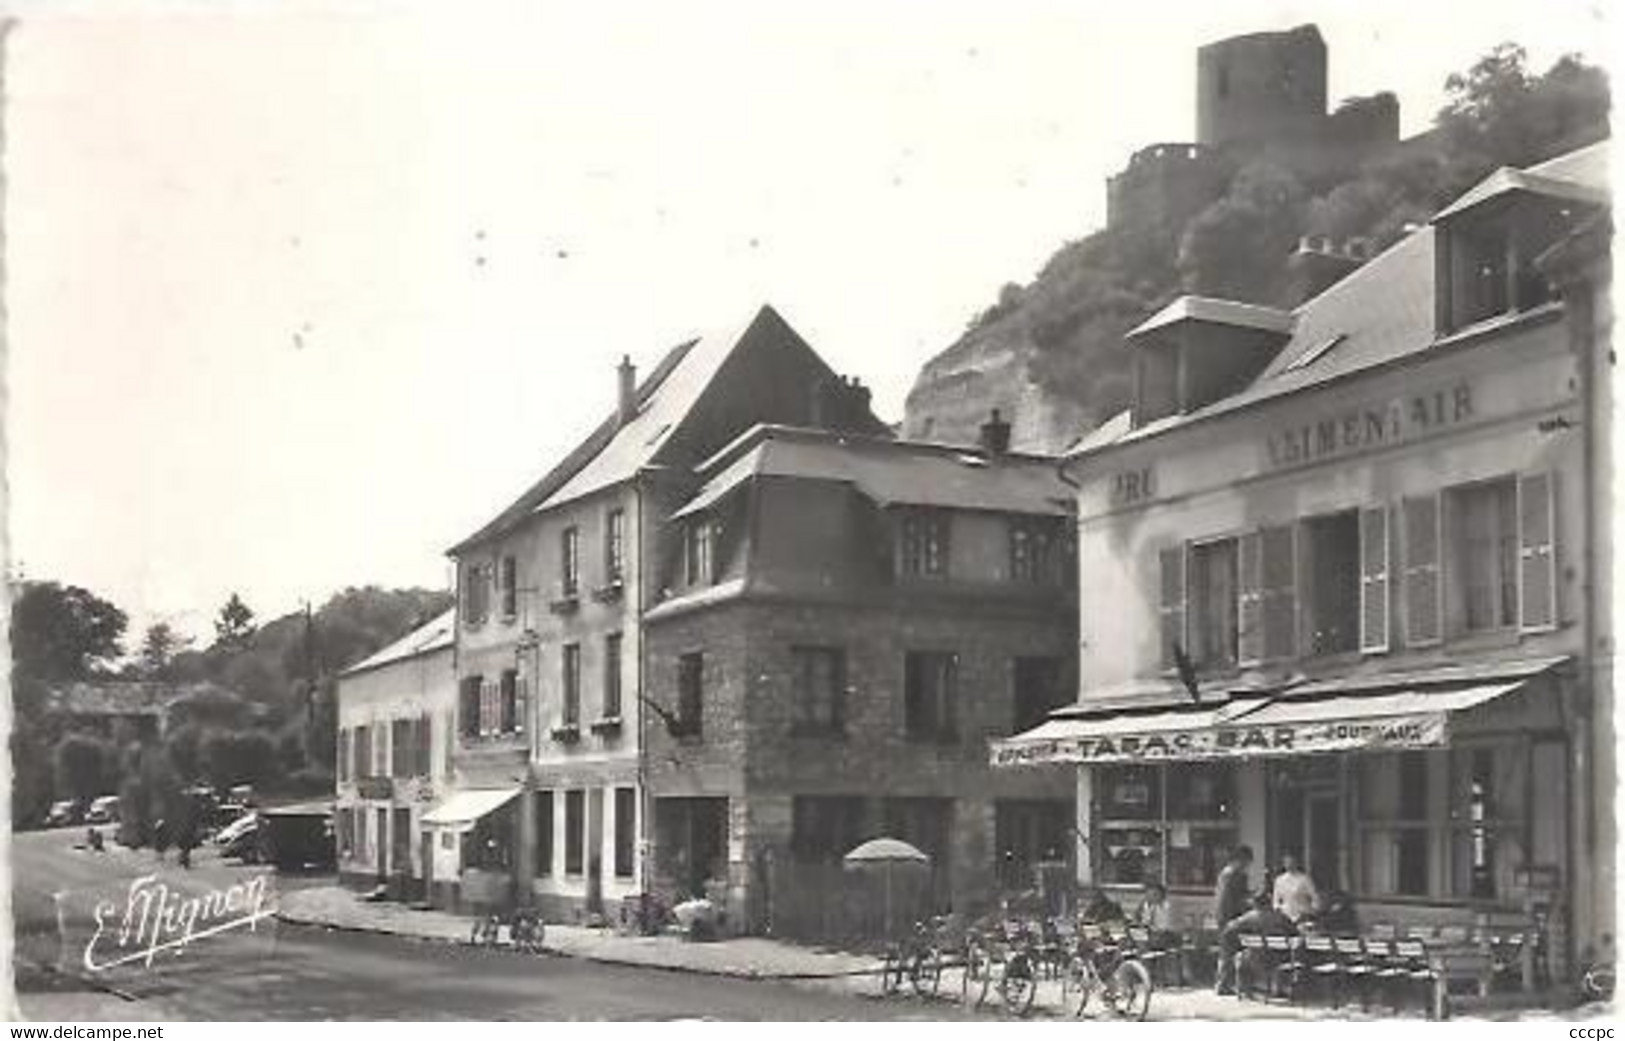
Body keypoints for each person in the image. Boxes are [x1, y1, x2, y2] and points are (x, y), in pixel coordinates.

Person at [1212, 845, 1254, 995]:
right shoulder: (1237, 875)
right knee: (1231, 950)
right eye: (1247, 862)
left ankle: (1222, 983)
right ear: (1242, 860)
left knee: (1226, 951)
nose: (1248, 865)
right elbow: (1236, 898)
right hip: (1231, 916)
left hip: (1221, 915)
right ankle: (1227, 984)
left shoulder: (1224, 872)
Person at [1271, 853, 1320, 925]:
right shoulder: (1279, 880)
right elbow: (1275, 900)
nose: (1289, 865)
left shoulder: (1304, 879)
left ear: (1296, 863)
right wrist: (1278, 910)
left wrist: (1312, 911)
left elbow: (1314, 897)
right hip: (1285, 916)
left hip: (1302, 915)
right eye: (1287, 863)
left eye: (1292, 863)